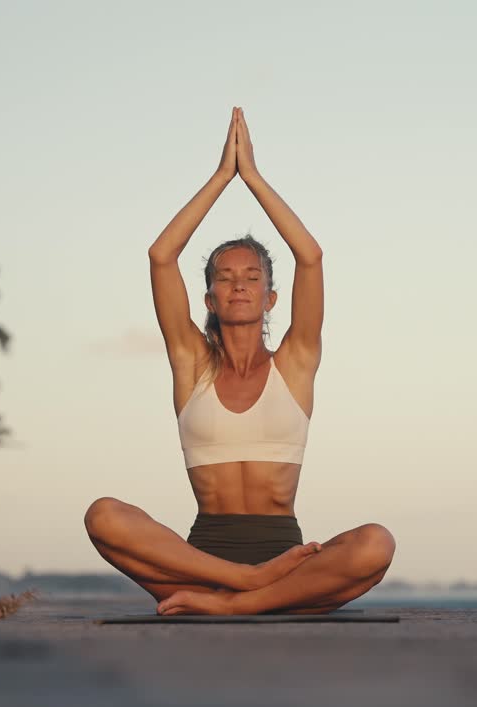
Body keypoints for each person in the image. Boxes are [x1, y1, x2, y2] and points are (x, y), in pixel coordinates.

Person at [84, 106, 396, 615]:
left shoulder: (295, 362)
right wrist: (220, 178)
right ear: (209, 299)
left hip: (288, 559)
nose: (239, 285)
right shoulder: (191, 364)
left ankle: (234, 604)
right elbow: (161, 256)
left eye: (252, 277)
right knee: (102, 516)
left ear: (271, 298)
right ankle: (246, 588)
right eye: (225, 278)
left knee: (377, 543)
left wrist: (252, 177)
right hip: (200, 560)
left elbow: (311, 257)